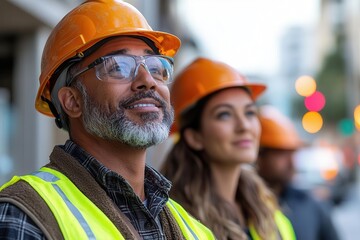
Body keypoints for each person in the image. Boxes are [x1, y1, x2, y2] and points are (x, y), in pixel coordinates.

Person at [0, 1, 215, 239]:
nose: (148, 80)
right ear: (72, 101)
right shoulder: (25, 213)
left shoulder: (196, 230)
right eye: (118, 67)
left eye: (156, 67)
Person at [161, 57, 296, 240]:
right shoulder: (172, 221)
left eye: (249, 112)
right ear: (194, 136)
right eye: (224, 115)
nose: (244, 126)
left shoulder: (270, 213)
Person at [256, 105, 340, 240]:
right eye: (281, 154)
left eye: (293, 153)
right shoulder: (241, 207)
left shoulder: (311, 205)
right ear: (258, 155)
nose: (292, 162)